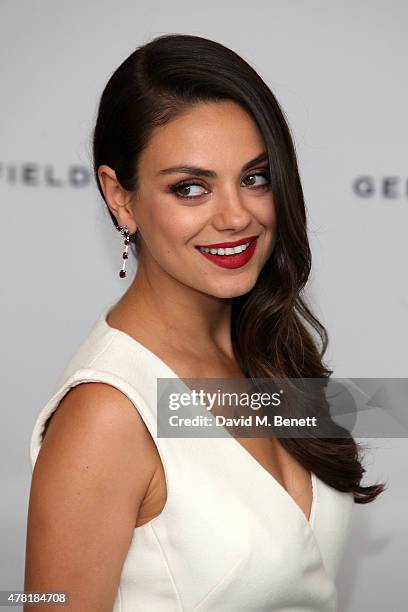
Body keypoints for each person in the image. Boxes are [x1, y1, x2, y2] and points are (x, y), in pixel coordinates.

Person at [24, 33, 386, 611]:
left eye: (254, 178)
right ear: (120, 197)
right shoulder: (108, 414)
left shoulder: (268, 352)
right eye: (190, 188)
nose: (236, 216)